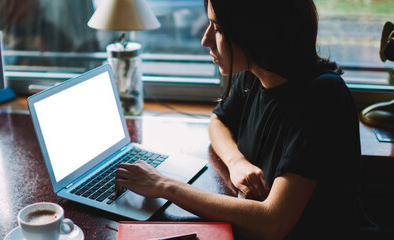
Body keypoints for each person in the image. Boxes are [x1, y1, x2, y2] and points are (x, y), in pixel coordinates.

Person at [115, 0, 371, 239]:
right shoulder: (254, 74)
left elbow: (274, 222)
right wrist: (237, 162)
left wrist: (164, 185)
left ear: (254, 31)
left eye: (217, 27)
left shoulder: (322, 97)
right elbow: (219, 121)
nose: (205, 40)